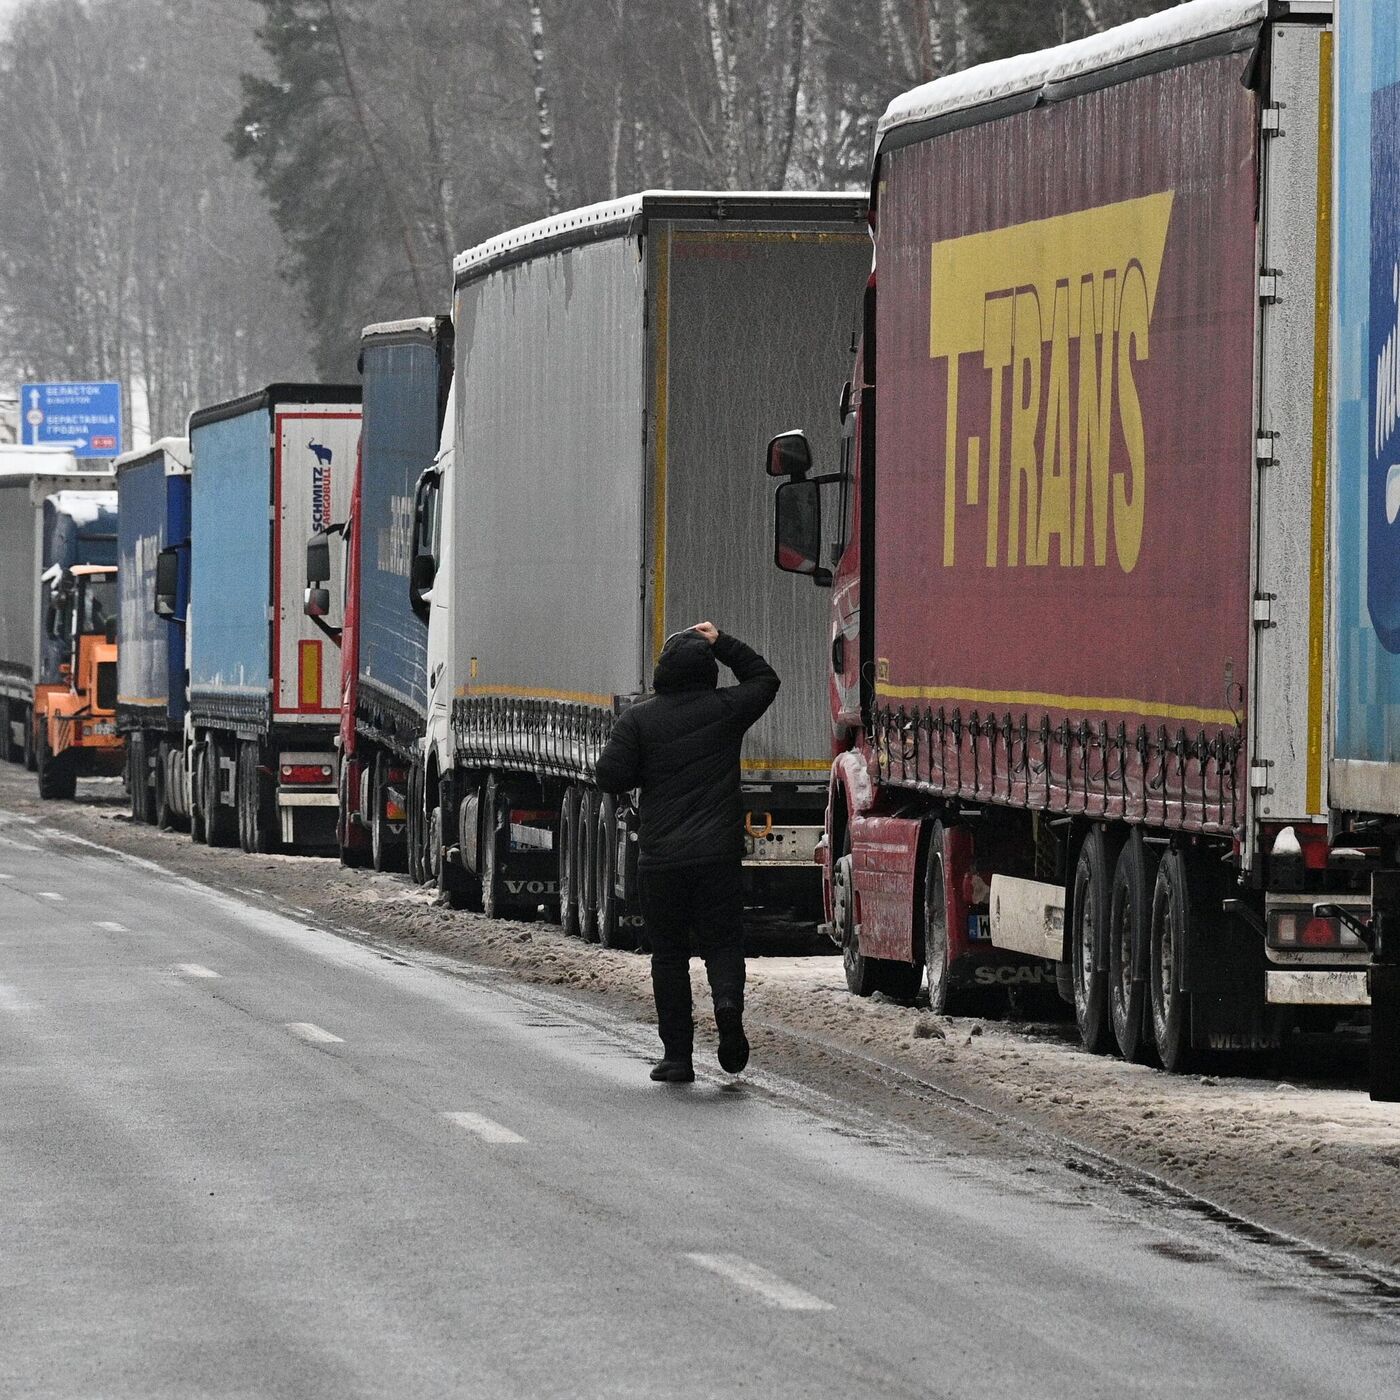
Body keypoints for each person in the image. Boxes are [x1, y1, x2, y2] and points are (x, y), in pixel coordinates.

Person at [595, 622, 780, 1083]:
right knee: (722, 944)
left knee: (669, 956)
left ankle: (678, 1056)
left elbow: (609, 776)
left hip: (661, 861)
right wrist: (723, 642)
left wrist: (641, 767)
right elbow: (764, 679)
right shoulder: (726, 710)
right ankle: (728, 1007)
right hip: (717, 856)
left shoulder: (638, 719)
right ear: (708, 671)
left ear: (662, 672)